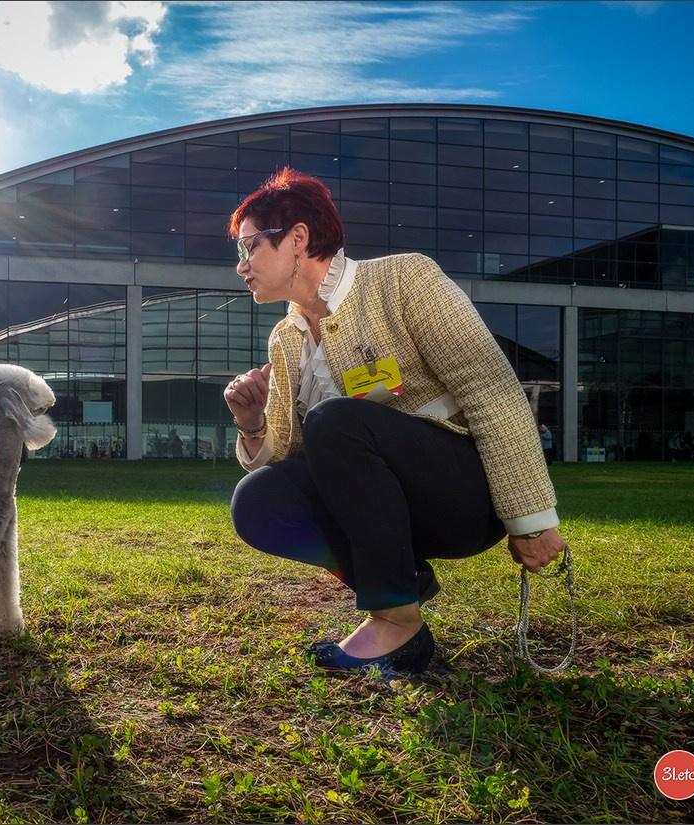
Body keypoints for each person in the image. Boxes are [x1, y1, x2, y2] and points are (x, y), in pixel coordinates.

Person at [224, 168, 565, 679]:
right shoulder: (285, 337)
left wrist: (531, 521)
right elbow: (301, 457)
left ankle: (390, 615)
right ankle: (401, 599)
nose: (241, 265)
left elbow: (490, 389)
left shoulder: (404, 279)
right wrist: (252, 425)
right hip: (382, 511)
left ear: (297, 238)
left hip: (462, 495)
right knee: (258, 499)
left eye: (249, 246)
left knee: (335, 420)